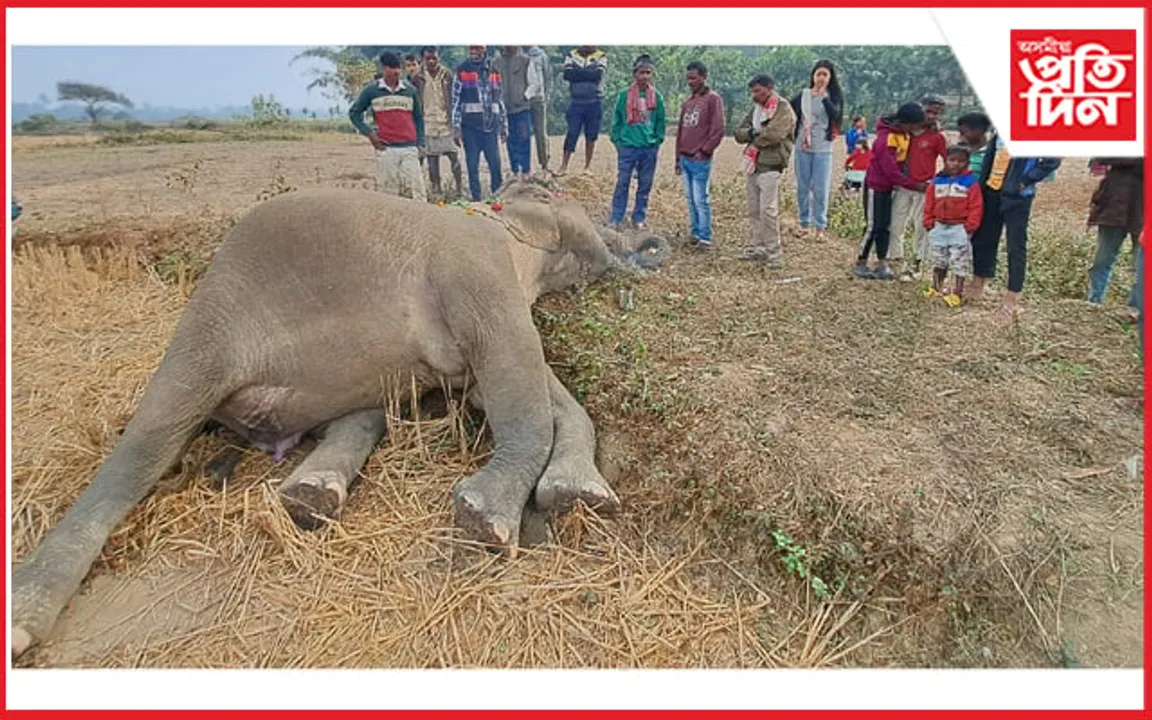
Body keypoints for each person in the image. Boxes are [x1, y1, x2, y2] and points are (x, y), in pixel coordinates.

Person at [966, 129, 1061, 315]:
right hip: (992, 190)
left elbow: (1052, 161)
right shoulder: (999, 133)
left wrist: (1025, 181)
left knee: (1015, 245)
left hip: (1018, 197)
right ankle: (979, 281)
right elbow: (989, 159)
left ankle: (1013, 294)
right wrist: (982, 187)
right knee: (984, 238)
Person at [853, 102, 925, 280]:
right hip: (876, 186)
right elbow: (890, 170)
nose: (918, 130)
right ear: (906, 123)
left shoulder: (904, 135)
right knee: (873, 225)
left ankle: (881, 262)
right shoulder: (886, 139)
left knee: (885, 225)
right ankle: (860, 262)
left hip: (889, 188)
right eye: (916, 126)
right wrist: (913, 185)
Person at [733, 73, 797, 267]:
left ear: (769, 88)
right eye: (752, 91)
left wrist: (752, 136)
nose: (754, 95)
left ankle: (774, 254)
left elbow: (774, 135)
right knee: (754, 210)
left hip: (772, 164)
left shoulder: (783, 108)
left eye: (758, 91)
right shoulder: (757, 109)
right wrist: (753, 133)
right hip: (754, 165)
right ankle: (758, 247)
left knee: (768, 211)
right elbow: (738, 133)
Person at [349, 51, 427, 203]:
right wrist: (370, 135)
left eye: (399, 67)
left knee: (418, 192)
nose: (397, 71)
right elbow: (354, 114)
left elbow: (419, 118)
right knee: (388, 194)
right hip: (386, 148)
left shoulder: (410, 90)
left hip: (409, 147)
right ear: (384, 68)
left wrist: (421, 143)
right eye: (392, 68)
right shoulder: (371, 91)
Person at [888, 95, 948, 282]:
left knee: (921, 226)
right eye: (928, 111)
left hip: (923, 188)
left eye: (935, 113)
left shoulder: (937, 137)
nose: (931, 116)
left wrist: (935, 180)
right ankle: (895, 260)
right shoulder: (904, 132)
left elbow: (951, 161)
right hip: (903, 185)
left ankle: (916, 264)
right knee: (896, 223)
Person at [608, 54, 666, 231]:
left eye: (649, 72)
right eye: (642, 72)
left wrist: (657, 140)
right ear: (635, 74)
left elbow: (661, 122)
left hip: (648, 148)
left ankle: (638, 217)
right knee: (623, 182)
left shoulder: (657, 97)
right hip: (628, 147)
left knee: (645, 185)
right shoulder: (624, 96)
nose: (645, 76)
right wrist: (617, 141)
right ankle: (616, 217)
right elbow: (617, 121)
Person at [789, 59, 843, 242]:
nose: (820, 78)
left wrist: (824, 97)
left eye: (825, 75)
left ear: (830, 78)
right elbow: (789, 112)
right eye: (818, 74)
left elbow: (835, 115)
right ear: (813, 76)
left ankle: (820, 226)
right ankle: (804, 223)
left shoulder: (833, 96)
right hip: (802, 146)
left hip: (822, 148)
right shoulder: (803, 96)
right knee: (803, 187)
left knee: (820, 188)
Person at [922, 145, 984, 306]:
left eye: (961, 161)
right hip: (939, 227)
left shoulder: (970, 183)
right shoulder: (937, 181)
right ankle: (936, 287)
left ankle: (957, 293)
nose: (956, 164)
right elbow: (929, 203)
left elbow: (976, 206)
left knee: (959, 262)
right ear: (945, 161)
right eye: (952, 160)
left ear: (967, 163)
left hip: (959, 228)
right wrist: (928, 222)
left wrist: (970, 226)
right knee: (939, 259)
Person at [674, 60, 726, 250]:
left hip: (699, 158)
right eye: (688, 78)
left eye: (694, 78)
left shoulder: (713, 99)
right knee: (690, 198)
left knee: (700, 199)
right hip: (685, 157)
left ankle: (705, 237)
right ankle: (695, 233)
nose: (690, 82)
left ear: (703, 77)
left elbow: (718, 129)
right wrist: (677, 158)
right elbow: (680, 132)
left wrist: (704, 151)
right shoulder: (688, 103)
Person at [451, 45, 507, 202]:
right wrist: (456, 127)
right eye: (472, 48)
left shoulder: (494, 70)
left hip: (491, 127)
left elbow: (500, 100)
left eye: (477, 48)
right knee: (472, 167)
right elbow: (455, 101)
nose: (474, 51)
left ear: (484, 49)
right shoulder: (462, 70)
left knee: (495, 167)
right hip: (470, 128)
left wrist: (504, 126)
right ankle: (476, 201)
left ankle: (497, 199)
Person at [1086, 157, 1144, 306]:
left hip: (1143, 211)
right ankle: (1094, 302)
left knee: (1142, 265)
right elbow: (1101, 156)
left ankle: (1136, 307)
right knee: (1102, 260)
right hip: (1113, 207)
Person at [416, 46, 463, 199]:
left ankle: (459, 189)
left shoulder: (447, 75)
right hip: (427, 123)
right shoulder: (417, 77)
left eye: (434, 58)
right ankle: (437, 190)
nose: (431, 61)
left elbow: (455, 98)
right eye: (428, 58)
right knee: (432, 159)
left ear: (439, 58)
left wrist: (456, 122)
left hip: (445, 122)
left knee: (454, 156)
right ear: (423, 59)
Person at [558, 46, 608, 176]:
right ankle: (564, 165)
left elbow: (597, 75)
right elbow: (567, 74)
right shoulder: (571, 54)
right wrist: (587, 73)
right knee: (572, 132)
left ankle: (587, 166)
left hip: (595, 100)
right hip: (576, 100)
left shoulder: (601, 56)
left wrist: (578, 73)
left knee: (591, 135)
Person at [493, 46, 538, 181]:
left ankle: (526, 169)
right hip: (504, 109)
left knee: (524, 138)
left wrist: (525, 96)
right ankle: (514, 170)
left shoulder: (525, 61)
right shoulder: (496, 63)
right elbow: (493, 84)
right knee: (510, 140)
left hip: (522, 108)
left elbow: (534, 84)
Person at [522, 46, 551, 173]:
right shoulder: (516, 55)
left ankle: (544, 164)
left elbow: (548, 77)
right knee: (523, 133)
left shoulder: (541, 55)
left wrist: (547, 96)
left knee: (540, 133)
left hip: (538, 99)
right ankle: (524, 168)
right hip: (522, 100)